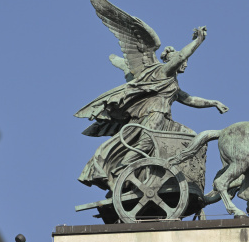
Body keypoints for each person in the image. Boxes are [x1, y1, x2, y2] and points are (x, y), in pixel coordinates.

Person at [77, 27, 228, 190]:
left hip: (165, 120)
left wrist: (213, 103)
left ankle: (172, 177)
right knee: (146, 144)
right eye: (182, 61)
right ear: (174, 61)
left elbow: (190, 100)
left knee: (191, 137)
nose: (185, 64)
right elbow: (184, 54)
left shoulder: (173, 84)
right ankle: (121, 171)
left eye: (185, 62)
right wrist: (198, 41)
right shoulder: (164, 72)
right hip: (154, 115)